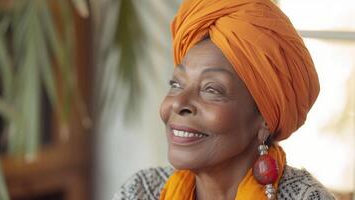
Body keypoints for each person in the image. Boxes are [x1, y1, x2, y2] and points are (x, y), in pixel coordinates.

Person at [113, 0, 335, 199]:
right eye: (176, 84)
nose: (179, 103)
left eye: (211, 89)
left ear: (264, 119)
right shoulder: (141, 191)